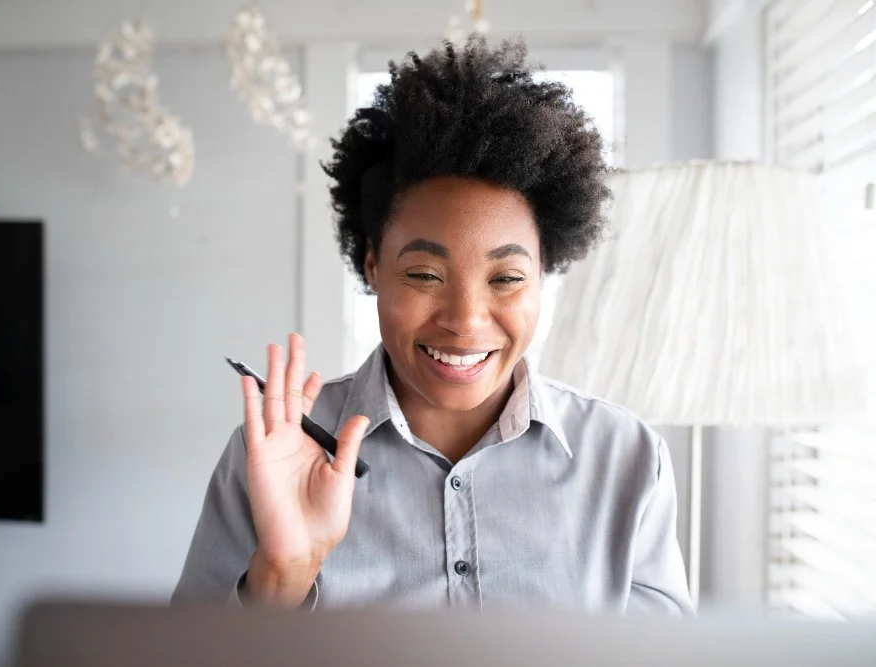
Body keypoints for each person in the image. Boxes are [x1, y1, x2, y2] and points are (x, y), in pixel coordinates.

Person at [173, 36, 693, 614]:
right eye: (424, 274)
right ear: (373, 264)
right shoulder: (275, 453)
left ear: (545, 272)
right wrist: (282, 576)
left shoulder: (625, 457)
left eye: (506, 279)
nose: (465, 321)